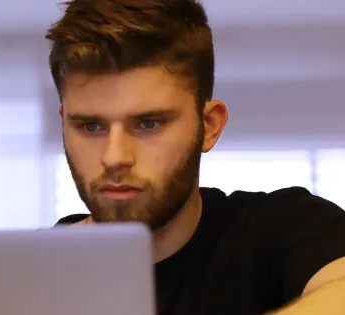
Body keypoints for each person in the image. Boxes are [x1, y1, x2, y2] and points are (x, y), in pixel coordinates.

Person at [45, 0, 345, 314]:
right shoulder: (32, 269)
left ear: (209, 125)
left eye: (149, 123)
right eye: (90, 126)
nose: (115, 157)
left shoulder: (282, 228)